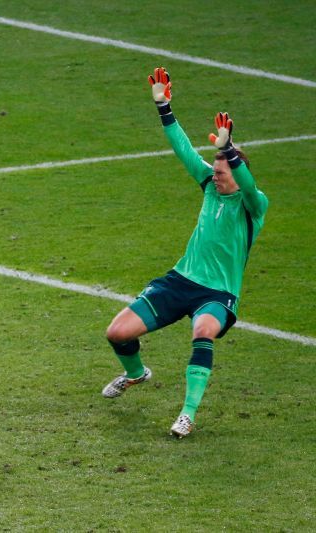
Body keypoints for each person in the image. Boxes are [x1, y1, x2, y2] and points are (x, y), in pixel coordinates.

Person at [101, 67, 268, 438]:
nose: (218, 175)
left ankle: (187, 414)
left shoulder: (253, 204)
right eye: (218, 170)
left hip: (217, 293)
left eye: (223, 171)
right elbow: (182, 148)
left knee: (203, 329)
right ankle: (136, 373)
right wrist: (163, 105)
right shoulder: (209, 183)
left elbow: (249, 183)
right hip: (180, 281)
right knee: (116, 332)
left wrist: (229, 150)